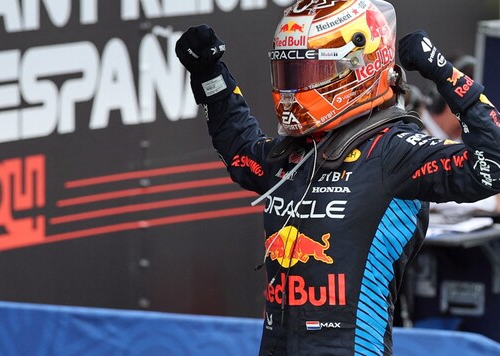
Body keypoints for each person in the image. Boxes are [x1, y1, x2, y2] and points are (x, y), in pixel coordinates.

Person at [175, 0, 500, 355]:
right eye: (289, 73)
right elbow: (241, 152)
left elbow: (493, 165)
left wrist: (441, 72)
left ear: (359, 69)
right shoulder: (296, 152)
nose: (295, 87)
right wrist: (209, 75)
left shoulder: (395, 151)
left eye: (309, 72)